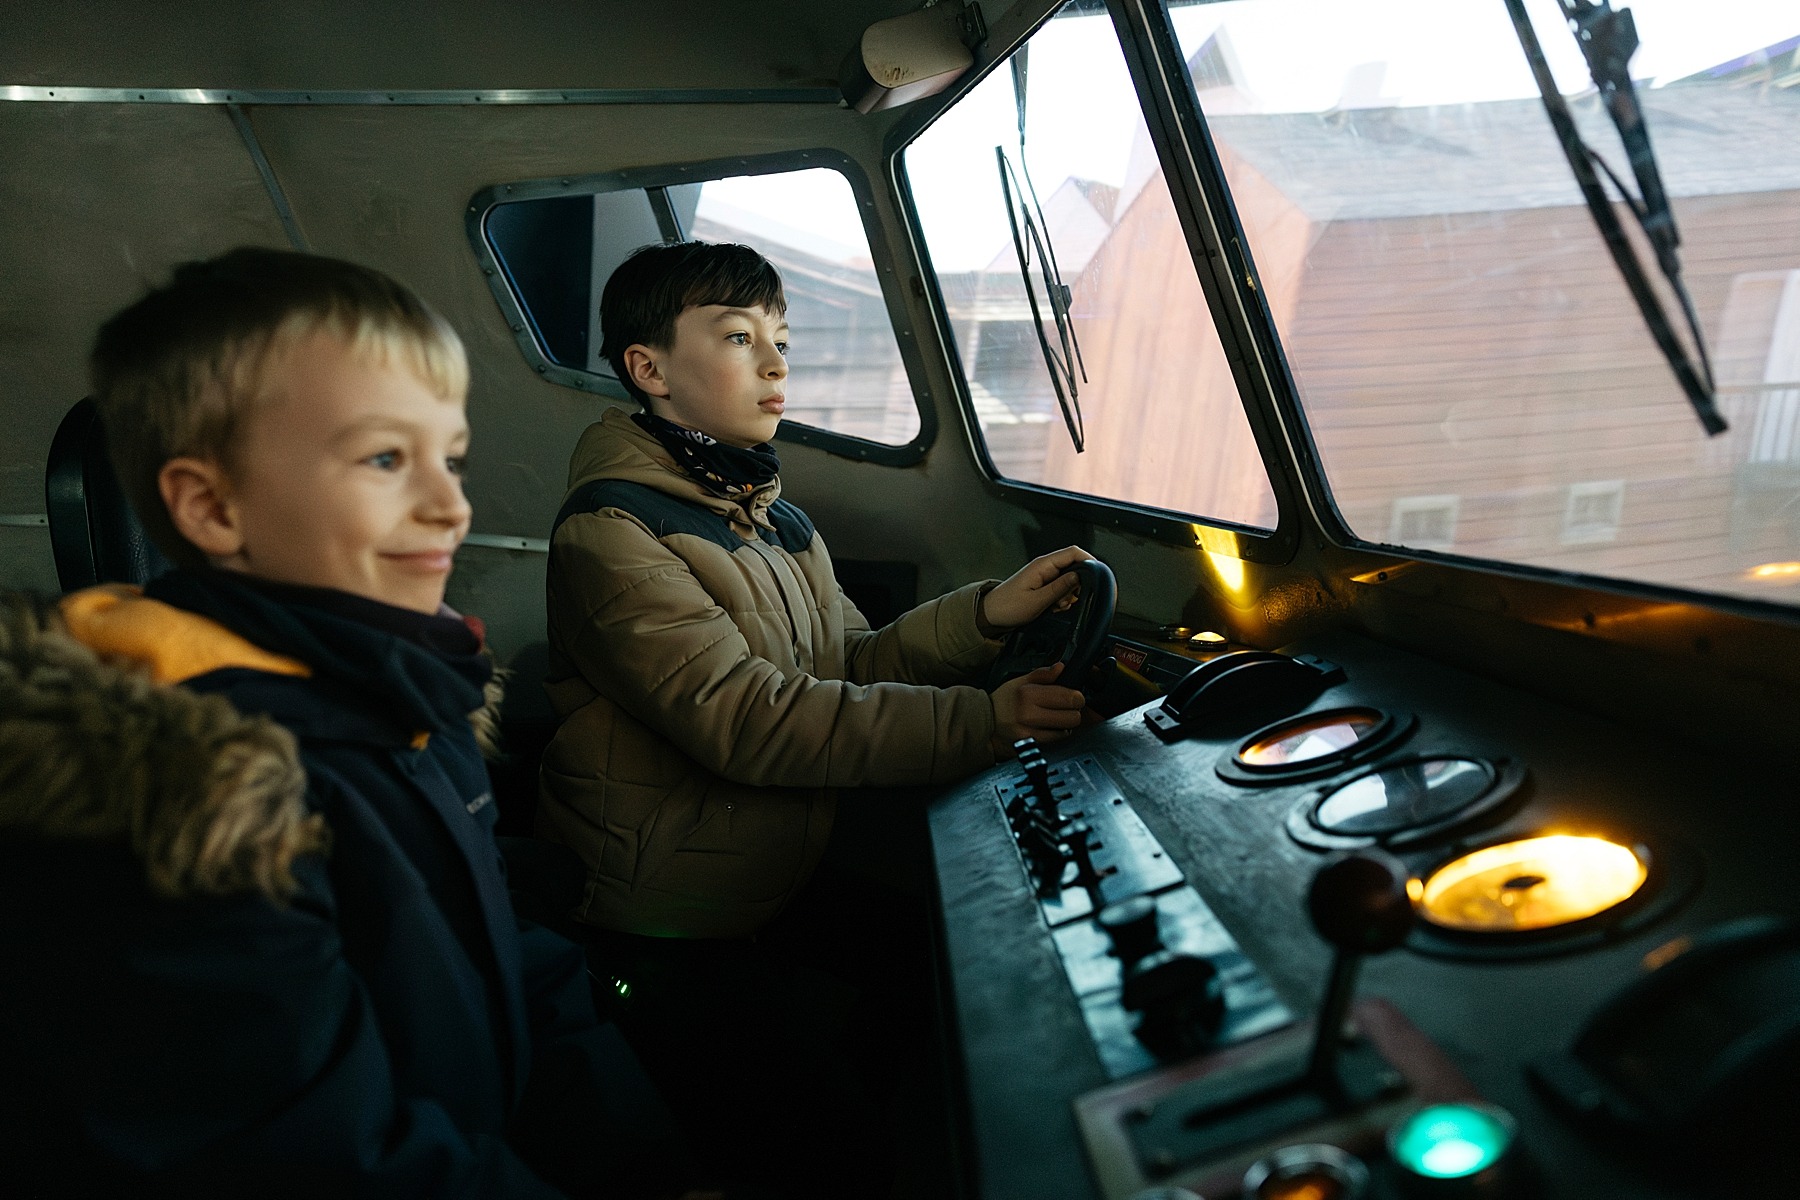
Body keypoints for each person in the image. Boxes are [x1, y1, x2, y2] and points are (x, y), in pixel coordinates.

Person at [0, 247, 709, 1199]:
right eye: (385, 459)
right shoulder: (179, 801)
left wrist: (638, 1165)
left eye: (448, 459)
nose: (451, 506)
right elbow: (319, 1157)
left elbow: (512, 958)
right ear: (211, 507)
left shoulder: (409, 700)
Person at [536, 239, 1091, 1194]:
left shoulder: (772, 518)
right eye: (739, 337)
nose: (777, 363)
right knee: (838, 1161)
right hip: (666, 918)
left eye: (781, 339)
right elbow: (750, 721)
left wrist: (985, 615)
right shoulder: (611, 534)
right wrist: (984, 722)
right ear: (649, 370)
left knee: (956, 982)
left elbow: (855, 662)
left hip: (768, 879)